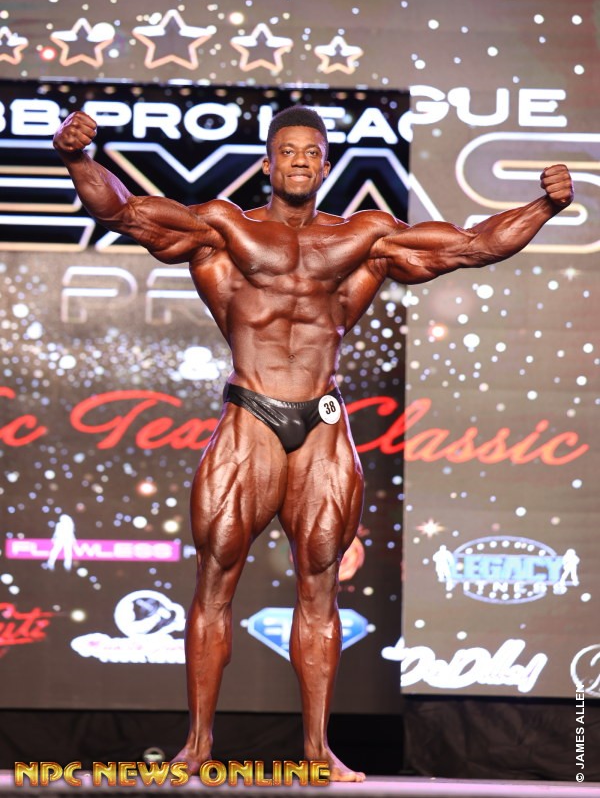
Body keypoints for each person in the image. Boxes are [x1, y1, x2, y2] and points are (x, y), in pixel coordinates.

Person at [53, 105, 573, 781]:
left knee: (321, 588)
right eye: (287, 151)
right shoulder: (223, 229)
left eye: (310, 152)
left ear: (325, 165)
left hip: (322, 427)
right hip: (249, 418)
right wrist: (78, 160)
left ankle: (317, 751)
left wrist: (544, 206)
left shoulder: (366, 237)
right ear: (268, 162)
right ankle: (198, 745)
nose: (298, 161)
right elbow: (124, 214)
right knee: (215, 582)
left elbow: (474, 246)